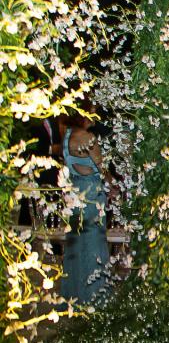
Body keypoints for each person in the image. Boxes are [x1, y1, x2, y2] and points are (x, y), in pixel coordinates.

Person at [61, 102, 112, 304]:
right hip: (92, 194)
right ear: (82, 114)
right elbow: (101, 167)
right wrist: (114, 186)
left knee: (76, 244)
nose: (94, 115)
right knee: (93, 243)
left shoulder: (67, 136)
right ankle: (95, 296)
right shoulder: (87, 138)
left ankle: (74, 294)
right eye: (91, 111)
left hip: (75, 193)